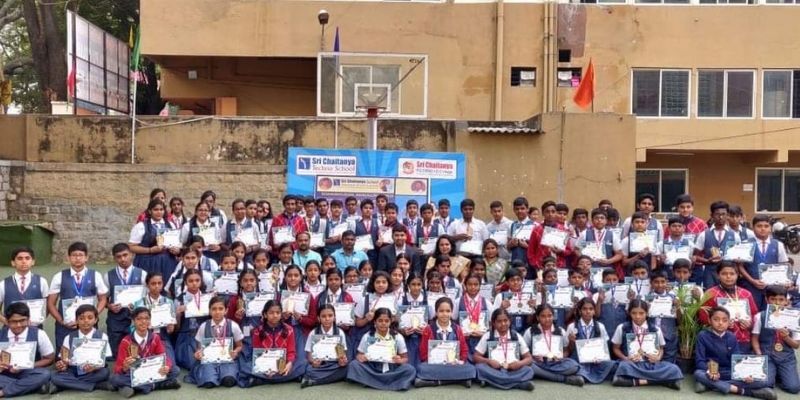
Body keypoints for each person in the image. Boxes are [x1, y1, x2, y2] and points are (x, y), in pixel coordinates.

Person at [694, 307, 776, 400]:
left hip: (728, 372)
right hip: (711, 370)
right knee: (698, 373)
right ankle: (744, 391)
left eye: (724, 320)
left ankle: (711, 385)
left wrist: (744, 374)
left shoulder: (731, 336)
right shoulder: (703, 336)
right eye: (716, 319)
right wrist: (712, 371)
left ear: (729, 322)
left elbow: (737, 360)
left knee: (763, 381)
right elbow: (699, 361)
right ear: (709, 320)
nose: (720, 323)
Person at [46, 242, 109, 357]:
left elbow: (103, 299)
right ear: (68, 258)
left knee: (90, 357)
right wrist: (61, 321)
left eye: (80, 255)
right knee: (63, 359)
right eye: (74, 255)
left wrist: (92, 316)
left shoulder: (96, 275)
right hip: (65, 325)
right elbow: (50, 303)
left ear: (86, 257)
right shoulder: (59, 276)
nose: (77, 258)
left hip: (89, 325)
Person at [610, 299, 683, 390]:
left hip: (651, 365)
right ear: (629, 313)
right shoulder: (622, 328)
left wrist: (658, 357)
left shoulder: (655, 329)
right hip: (632, 364)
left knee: (674, 368)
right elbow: (615, 348)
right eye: (634, 313)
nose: (637, 316)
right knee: (622, 366)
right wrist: (625, 358)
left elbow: (661, 348)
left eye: (641, 313)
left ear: (647, 313)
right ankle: (661, 381)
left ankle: (635, 381)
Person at [110, 307, 181, 397]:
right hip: (135, 374)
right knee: (114, 379)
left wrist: (166, 366)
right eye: (139, 319)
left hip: (151, 371)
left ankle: (135, 387)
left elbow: (164, 357)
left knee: (175, 370)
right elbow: (117, 368)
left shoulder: (155, 338)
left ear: (150, 320)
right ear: (133, 321)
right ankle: (156, 385)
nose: (143, 321)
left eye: (147, 318)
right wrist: (124, 367)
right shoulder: (126, 341)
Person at [346, 307, 416, 391]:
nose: (383, 323)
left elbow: (405, 358)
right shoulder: (368, 336)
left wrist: (399, 360)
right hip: (372, 368)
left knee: (410, 370)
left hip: (391, 369)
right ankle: (391, 384)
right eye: (380, 321)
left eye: (386, 321)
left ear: (390, 322)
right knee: (353, 364)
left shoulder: (397, 336)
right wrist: (361, 357)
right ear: (375, 322)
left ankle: (370, 382)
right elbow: (359, 355)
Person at [241, 300, 306, 387]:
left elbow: (291, 352)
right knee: (245, 367)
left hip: (283, 363)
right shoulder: (258, 331)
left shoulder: (289, 330)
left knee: (302, 364)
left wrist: (289, 364)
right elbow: (257, 354)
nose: (275, 315)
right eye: (271, 313)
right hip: (265, 364)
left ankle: (262, 380)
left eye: (278, 313)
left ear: (281, 314)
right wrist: (265, 368)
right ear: (265, 314)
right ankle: (287, 378)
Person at [50, 304, 113, 394]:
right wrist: (62, 364)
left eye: (90, 318)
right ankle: (96, 386)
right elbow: (64, 358)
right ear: (76, 321)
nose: (86, 321)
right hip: (74, 370)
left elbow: (103, 360)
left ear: (95, 320)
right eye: (81, 318)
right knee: (55, 376)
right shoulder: (69, 337)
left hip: (93, 371)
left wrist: (94, 367)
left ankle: (65, 385)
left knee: (104, 373)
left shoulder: (102, 336)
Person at [414, 297, 476, 388]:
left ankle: (434, 382)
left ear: (452, 312)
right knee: (421, 368)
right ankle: (458, 380)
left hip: (453, 365)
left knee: (471, 369)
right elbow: (423, 351)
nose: (445, 314)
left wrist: (459, 361)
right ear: (436, 312)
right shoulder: (428, 329)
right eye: (441, 311)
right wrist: (433, 360)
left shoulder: (457, 329)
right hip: (434, 365)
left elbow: (464, 349)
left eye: (448, 311)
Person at [699, 261, 758, 353]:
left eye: (732, 274)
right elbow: (703, 317)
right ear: (718, 275)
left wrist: (749, 324)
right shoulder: (710, 294)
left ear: (738, 275)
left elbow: (755, 315)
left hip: (743, 340)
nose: (728, 276)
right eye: (724, 274)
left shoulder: (746, 294)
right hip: (719, 340)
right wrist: (720, 323)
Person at [751, 285, 800, 395]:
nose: (777, 303)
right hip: (767, 355)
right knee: (766, 383)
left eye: (781, 300)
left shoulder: (794, 317)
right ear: (766, 300)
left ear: (786, 300)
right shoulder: (760, 316)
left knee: (793, 388)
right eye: (773, 299)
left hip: (786, 357)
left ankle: (780, 374)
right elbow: (755, 339)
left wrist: (786, 337)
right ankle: (774, 374)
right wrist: (759, 355)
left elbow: (796, 345)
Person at [472, 308, 535, 390]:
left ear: (510, 321)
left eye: (505, 320)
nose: (503, 324)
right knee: (479, 367)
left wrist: (519, 364)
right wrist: (489, 361)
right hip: (494, 369)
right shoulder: (488, 336)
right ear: (494, 323)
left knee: (529, 370)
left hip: (513, 370)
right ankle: (518, 384)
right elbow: (476, 357)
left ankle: (491, 382)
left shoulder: (516, 336)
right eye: (499, 321)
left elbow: (529, 358)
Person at [0, 302, 54, 397]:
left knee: (44, 374)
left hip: (28, 372)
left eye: (22, 320)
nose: (18, 325)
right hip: (5, 373)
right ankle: (33, 386)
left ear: (29, 320)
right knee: (38, 380)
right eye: (14, 321)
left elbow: (50, 359)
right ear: (7, 322)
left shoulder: (39, 334)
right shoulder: (1, 334)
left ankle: (3, 392)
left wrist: (28, 365)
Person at [188, 296, 243, 388]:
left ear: (226, 310)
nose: (217, 312)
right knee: (208, 382)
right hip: (208, 361)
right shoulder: (203, 326)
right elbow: (199, 348)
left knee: (228, 381)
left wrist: (235, 352)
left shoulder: (233, 326)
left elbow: (240, 346)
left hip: (227, 361)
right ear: (209, 311)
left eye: (221, 309)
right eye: (214, 309)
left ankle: (225, 375)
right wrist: (198, 354)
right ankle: (210, 377)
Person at [105, 243, 147, 360]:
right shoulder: (108, 276)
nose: (123, 259)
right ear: (114, 258)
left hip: (136, 319)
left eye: (125, 255)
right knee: (116, 355)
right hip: (116, 320)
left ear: (131, 255)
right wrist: (109, 306)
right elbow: (103, 299)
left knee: (137, 354)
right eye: (119, 256)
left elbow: (147, 297)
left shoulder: (142, 274)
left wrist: (139, 306)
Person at [525, 304, 584, 386]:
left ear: (553, 316)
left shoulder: (560, 331)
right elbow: (524, 353)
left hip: (556, 364)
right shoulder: (530, 331)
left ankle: (544, 374)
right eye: (543, 316)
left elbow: (567, 351)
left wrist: (561, 357)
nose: (547, 319)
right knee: (529, 365)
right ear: (538, 317)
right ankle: (564, 379)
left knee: (574, 366)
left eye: (549, 316)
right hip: (538, 363)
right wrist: (533, 356)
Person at [740, 214, 789, 311]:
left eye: (766, 226)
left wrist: (784, 281)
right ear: (753, 228)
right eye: (759, 226)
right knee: (752, 311)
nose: (763, 229)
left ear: (770, 228)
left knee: (771, 312)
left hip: (772, 288)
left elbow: (784, 265)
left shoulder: (778, 245)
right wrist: (752, 280)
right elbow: (740, 266)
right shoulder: (745, 244)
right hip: (751, 286)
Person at [566, 298, 615, 384]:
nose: (588, 311)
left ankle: (581, 377)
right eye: (584, 309)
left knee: (613, 364)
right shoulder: (572, 327)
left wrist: (600, 357)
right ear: (580, 311)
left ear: (594, 311)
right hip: (578, 361)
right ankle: (580, 376)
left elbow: (604, 348)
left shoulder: (600, 326)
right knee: (570, 364)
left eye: (591, 309)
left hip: (596, 361)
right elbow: (569, 350)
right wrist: (571, 342)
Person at [128, 199, 180, 278]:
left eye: (161, 209)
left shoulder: (171, 225)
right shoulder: (141, 226)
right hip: (147, 262)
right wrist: (150, 250)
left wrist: (176, 250)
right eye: (156, 210)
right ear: (150, 211)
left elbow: (176, 243)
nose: (159, 212)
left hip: (168, 263)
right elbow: (131, 247)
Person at [132, 272, 176, 364]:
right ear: (147, 285)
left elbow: (171, 330)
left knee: (170, 365)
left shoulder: (169, 302)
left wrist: (170, 328)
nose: (157, 286)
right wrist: (144, 326)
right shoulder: (139, 303)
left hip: (162, 338)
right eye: (153, 283)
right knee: (142, 364)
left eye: (159, 283)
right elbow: (132, 327)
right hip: (144, 338)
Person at [301, 304, 349, 387]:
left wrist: (342, 361)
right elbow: (309, 355)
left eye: (330, 316)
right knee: (308, 369)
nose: (327, 319)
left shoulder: (340, 333)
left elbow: (342, 353)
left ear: (334, 317)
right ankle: (333, 378)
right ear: (318, 318)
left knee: (347, 368)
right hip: (320, 365)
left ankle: (315, 381)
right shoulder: (313, 333)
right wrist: (313, 362)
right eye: (323, 316)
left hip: (334, 365)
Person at [0, 247, 49, 326]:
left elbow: (47, 307)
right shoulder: (3, 284)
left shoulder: (42, 281)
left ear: (33, 262)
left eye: (27, 258)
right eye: (20, 258)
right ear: (13, 262)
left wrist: (39, 320)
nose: (24, 261)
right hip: (10, 330)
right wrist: (9, 323)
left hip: (34, 329)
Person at [174, 269, 211, 370]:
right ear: (185, 282)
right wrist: (178, 314)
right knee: (192, 363)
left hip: (206, 334)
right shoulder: (179, 300)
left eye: (197, 280)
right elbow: (176, 328)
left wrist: (213, 310)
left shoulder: (207, 298)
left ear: (201, 281)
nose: (194, 283)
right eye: (190, 281)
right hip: (187, 335)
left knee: (209, 360)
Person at [694, 201, 735, 289]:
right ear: (712, 215)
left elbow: (738, 256)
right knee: (710, 296)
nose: (721, 217)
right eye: (717, 214)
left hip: (728, 275)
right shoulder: (704, 235)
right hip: (710, 274)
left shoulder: (735, 235)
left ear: (728, 215)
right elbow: (695, 256)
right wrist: (707, 261)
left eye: (723, 214)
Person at [527, 201, 574, 271]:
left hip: (558, 266)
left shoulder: (563, 230)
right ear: (543, 213)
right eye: (547, 212)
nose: (550, 214)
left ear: (556, 213)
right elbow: (531, 251)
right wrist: (535, 264)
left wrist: (560, 251)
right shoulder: (536, 230)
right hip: (540, 266)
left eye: (553, 211)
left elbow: (568, 250)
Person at [508, 197, 535, 266]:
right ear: (514, 210)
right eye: (517, 209)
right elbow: (507, 247)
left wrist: (527, 246)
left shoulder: (535, 226)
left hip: (529, 262)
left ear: (527, 209)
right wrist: (511, 244)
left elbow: (538, 249)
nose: (519, 211)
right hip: (515, 260)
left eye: (522, 208)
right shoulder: (511, 225)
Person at [354, 199, 380, 266]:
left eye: (370, 208)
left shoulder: (377, 221)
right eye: (365, 208)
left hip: (374, 254)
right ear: (361, 209)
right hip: (359, 254)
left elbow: (380, 236)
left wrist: (380, 241)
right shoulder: (355, 223)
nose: (368, 210)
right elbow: (352, 237)